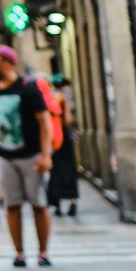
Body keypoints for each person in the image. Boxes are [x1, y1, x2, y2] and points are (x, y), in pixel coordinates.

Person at [0, 44, 54, 267]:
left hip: (31, 155)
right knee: (12, 205)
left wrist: (46, 154)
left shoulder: (28, 88)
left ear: (7, 63)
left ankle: (43, 252)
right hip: (4, 156)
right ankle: (19, 253)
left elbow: (45, 122)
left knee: (38, 203)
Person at [46, 74, 80, 217]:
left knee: (55, 170)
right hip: (64, 137)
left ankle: (57, 204)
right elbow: (68, 120)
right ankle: (72, 201)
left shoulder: (48, 99)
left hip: (52, 138)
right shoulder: (63, 98)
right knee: (69, 168)